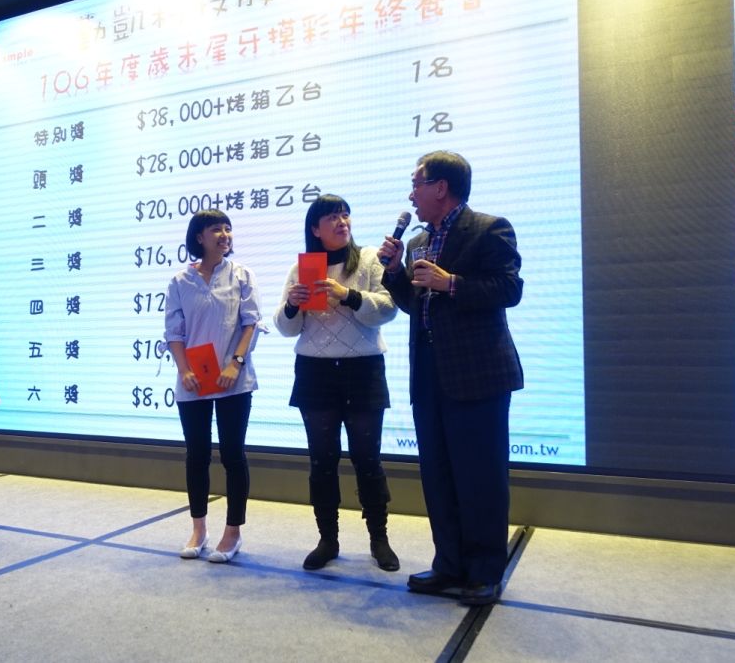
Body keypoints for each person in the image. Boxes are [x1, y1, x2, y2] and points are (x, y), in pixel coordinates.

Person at [378, 151, 523, 606]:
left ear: (440, 187)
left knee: (480, 475)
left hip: (478, 374)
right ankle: (449, 564)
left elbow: (510, 289)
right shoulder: (419, 241)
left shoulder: (489, 228)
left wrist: (452, 283)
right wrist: (394, 273)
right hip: (429, 373)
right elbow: (413, 303)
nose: (411, 195)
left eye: (416, 184)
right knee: (438, 474)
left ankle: (484, 572)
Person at [274, 194, 400, 572]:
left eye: (345, 214)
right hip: (315, 372)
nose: (342, 221)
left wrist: (348, 295)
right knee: (322, 460)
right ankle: (327, 540)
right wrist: (293, 305)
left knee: (367, 458)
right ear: (315, 229)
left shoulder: (369, 259)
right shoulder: (302, 269)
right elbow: (286, 328)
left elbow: (388, 309)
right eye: (332, 217)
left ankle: (379, 539)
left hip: (363, 369)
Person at [165, 209, 261, 563]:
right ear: (199, 237)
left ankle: (233, 532)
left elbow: (251, 323)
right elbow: (174, 332)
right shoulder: (180, 281)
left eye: (227, 229)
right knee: (197, 455)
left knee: (233, 454)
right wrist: (184, 371)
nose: (224, 234)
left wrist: (235, 363)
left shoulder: (242, 275)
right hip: (193, 381)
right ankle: (199, 529)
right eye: (216, 229)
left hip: (234, 379)